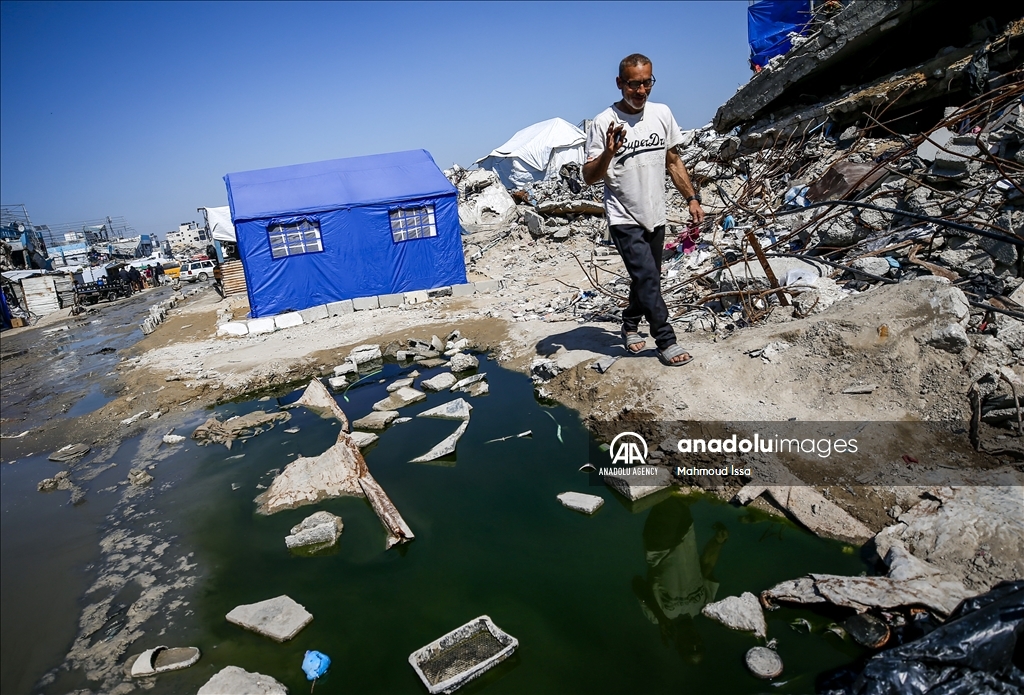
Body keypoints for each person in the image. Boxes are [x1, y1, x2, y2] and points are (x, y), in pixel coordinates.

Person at [583, 53, 705, 366]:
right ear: (620, 83)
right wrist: (609, 152)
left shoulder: (662, 114)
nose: (641, 91)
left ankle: (628, 323)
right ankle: (666, 340)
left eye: (647, 83)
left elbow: (674, 160)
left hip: (656, 213)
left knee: (647, 278)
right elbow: (589, 177)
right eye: (633, 84)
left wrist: (691, 197)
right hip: (624, 216)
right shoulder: (603, 123)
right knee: (648, 278)